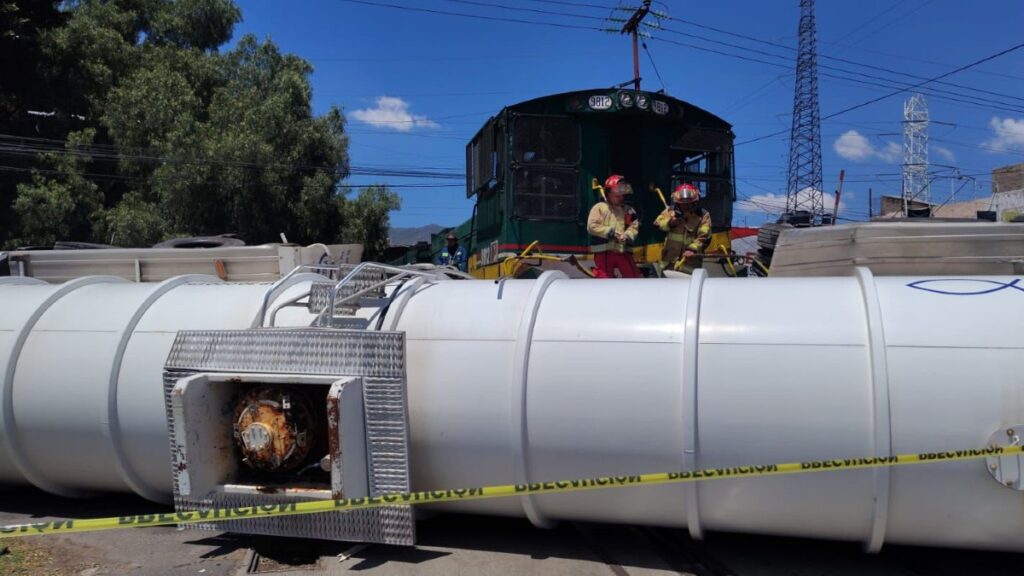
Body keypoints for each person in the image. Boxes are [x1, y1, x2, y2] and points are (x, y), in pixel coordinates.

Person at [587, 174, 641, 278]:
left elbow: (633, 227)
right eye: (617, 196)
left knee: (633, 278)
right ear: (608, 194)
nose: (621, 198)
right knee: (604, 280)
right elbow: (592, 226)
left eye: (622, 195)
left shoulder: (628, 210)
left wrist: (627, 235)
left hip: (623, 251)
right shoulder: (600, 208)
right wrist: (611, 233)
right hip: (604, 252)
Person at [654, 183, 712, 275]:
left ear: (694, 202)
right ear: (677, 203)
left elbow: (704, 236)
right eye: (683, 204)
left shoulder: (703, 215)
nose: (686, 206)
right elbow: (657, 224)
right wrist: (670, 223)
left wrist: (692, 249)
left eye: (689, 204)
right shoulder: (670, 211)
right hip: (668, 263)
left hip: (689, 265)